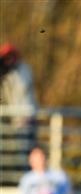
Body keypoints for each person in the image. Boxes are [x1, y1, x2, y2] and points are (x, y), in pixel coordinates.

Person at [0, 43, 38, 179]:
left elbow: (21, 92)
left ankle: (25, 178)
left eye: (9, 57)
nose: (7, 61)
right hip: (12, 120)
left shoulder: (22, 71)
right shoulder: (7, 73)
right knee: (11, 151)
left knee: (25, 150)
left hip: (24, 118)